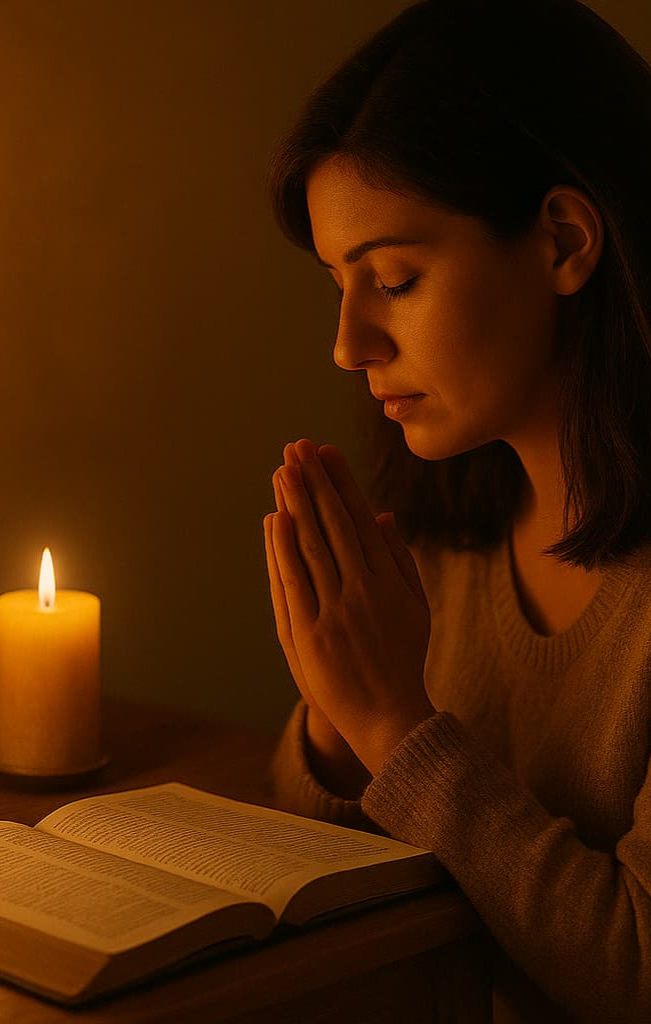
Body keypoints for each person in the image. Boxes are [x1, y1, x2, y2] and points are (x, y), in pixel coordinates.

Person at [263, 1, 651, 1020]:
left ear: (564, 241)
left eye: (394, 277)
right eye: (337, 285)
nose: (349, 343)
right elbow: (334, 877)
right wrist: (340, 718)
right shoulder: (449, 533)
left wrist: (396, 722)